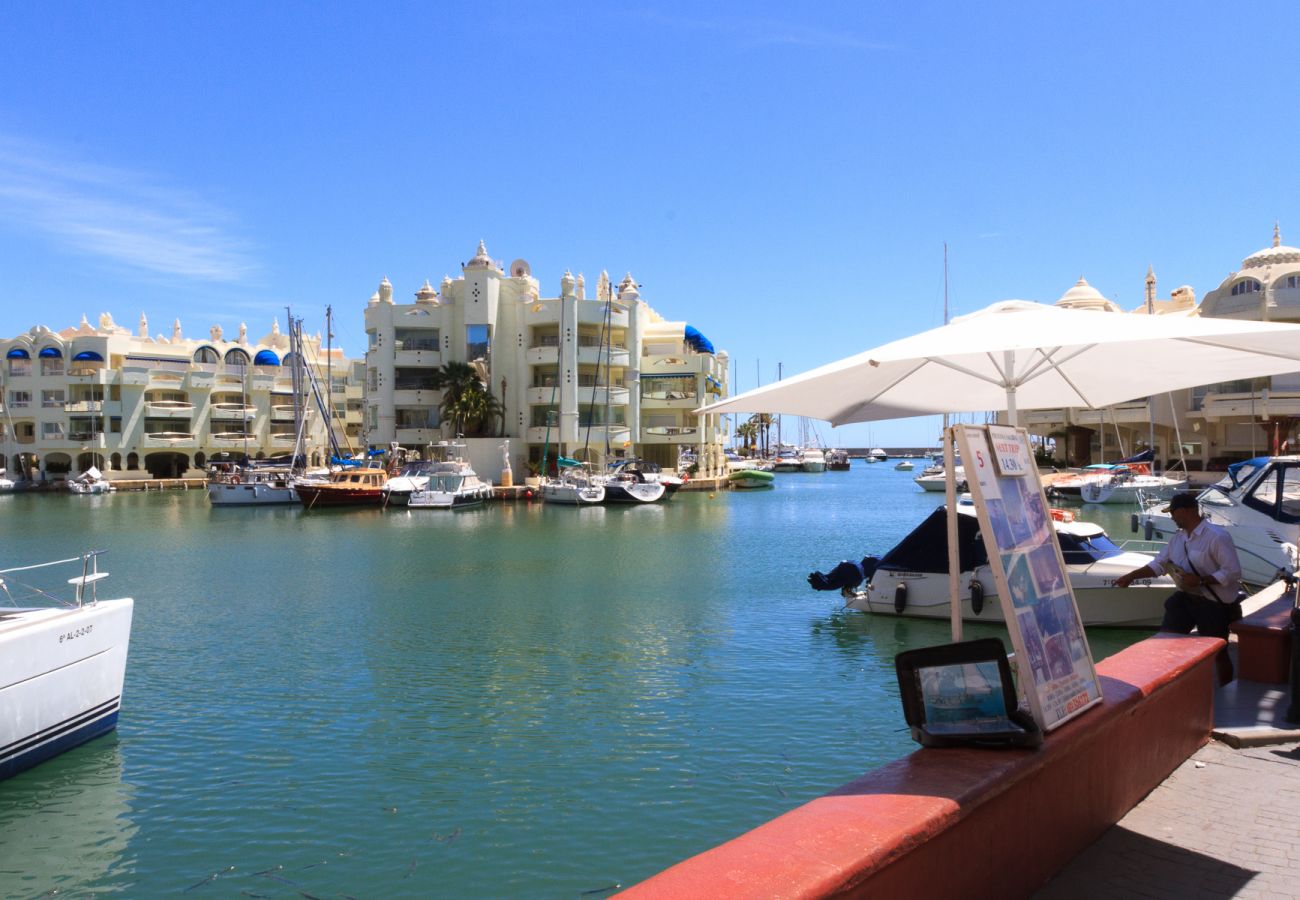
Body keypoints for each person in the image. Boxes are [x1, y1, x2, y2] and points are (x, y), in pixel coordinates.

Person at [1114, 491, 1243, 685]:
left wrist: (1200, 581)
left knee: (1218, 652)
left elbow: (1232, 572)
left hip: (1214, 605)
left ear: (1185, 511)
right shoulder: (1177, 539)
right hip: (1187, 599)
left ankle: (1226, 688)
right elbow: (1159, 564)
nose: (1171, 517)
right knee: (1166, 641)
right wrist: (1131, 577)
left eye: (1173, 513)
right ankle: (1168, 686)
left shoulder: (1217, 537)